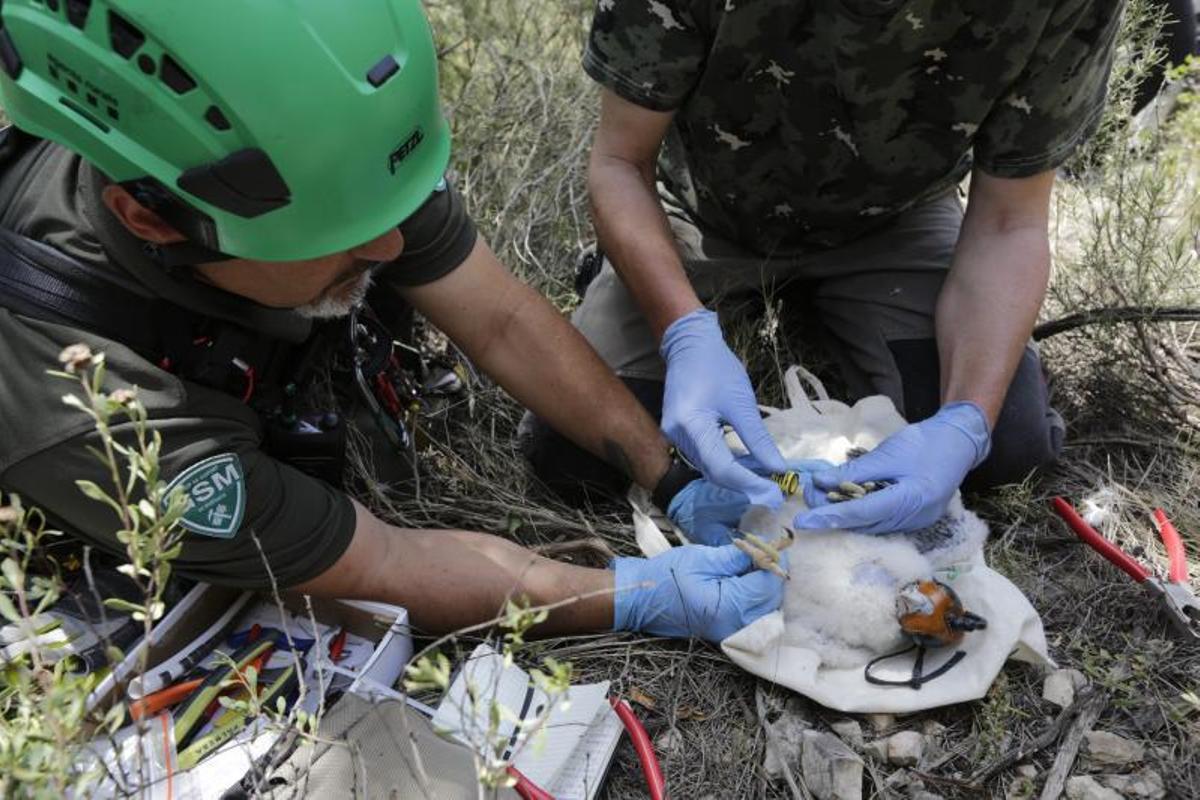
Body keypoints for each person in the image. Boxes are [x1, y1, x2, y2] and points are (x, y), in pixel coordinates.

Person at [0, 0, 785, 643]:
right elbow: (377, 564)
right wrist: (631, 593)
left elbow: (502, 318)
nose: (391, 245)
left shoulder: (312, 156)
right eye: (343, 235)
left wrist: (672, 474)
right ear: (152, 219)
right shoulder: (92, 407)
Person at [524, 0, 1125, 540]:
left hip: (895, 220)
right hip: (699, 207)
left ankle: (850, 324)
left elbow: (1009, 221)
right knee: (573, 457)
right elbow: (619, 162)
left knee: (1003, 450)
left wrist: (966, 421)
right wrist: (683, 331)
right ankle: (631, 280)